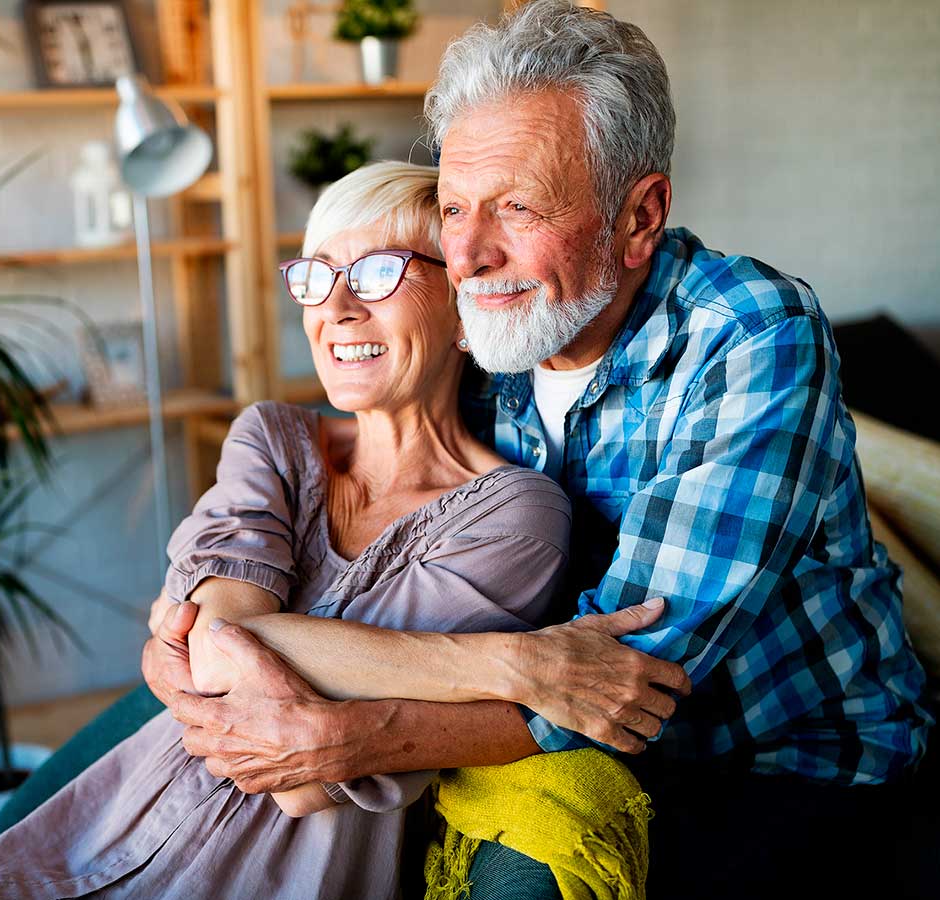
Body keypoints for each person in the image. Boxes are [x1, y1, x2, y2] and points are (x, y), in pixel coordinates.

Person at [157, 3, 933, 897]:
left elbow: (628, 678)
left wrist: (347, 737)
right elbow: (298, 542)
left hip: (786, 760)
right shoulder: (485, 334)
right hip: (536, 720)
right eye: (454, 208)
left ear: (639, 216)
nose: (473, 255)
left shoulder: (753, 336)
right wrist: (187, 652)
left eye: (518, 206)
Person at [0, 161, 652, 900]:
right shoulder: (273, 438)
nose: (334, 308)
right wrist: (508, 665)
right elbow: (207, 647)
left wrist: (218, 643)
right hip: (72, 854)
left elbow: (304, 779)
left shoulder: (516, 513)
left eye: (376, 273)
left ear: (465, 312)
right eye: (316, 275)